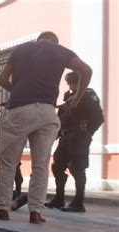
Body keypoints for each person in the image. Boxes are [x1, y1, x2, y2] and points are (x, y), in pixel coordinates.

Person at [0, 31, 92, 224]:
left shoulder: (21, 49)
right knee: (41, 165)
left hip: (19, 109)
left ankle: (3, 208)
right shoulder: (62, 51)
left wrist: (18, 90)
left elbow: (2, 79)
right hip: (47, 111)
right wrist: (76, 98)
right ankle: (36, 212)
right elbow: (86, 71)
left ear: (38, 39)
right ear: (55, 41)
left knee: (8, 163)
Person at [45, 71, 104, 212]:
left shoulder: (88, 94)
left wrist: (87, 133)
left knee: (77, 168)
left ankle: (78, 202)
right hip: (66, 136)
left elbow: (98, 118)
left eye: (74, 82)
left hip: (80, 135)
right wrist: (56, 134)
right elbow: (61, 119)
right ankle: (59, 199)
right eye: (70, 83)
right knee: (57, 166)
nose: (72, 86)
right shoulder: (68, 97)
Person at [0, 102, 23, 199]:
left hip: (11, 146)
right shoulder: (4, 116)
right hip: (2, 146)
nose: (5, 108)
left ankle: (17, 192)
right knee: (2, 170)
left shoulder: (15, 117)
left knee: (16, 172)